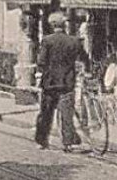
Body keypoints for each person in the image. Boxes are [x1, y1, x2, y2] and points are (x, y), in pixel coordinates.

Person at [34, 11, 90, 151]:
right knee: (67, 113)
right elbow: (84, 58)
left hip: (50, 83)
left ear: (52, 25)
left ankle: (42, 141)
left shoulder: (47, 41)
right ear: (64, 25)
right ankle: (68, 143)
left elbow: (41, 61)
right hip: (67, 82)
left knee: (46, 113)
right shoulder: (73, 41)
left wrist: (44, 70)